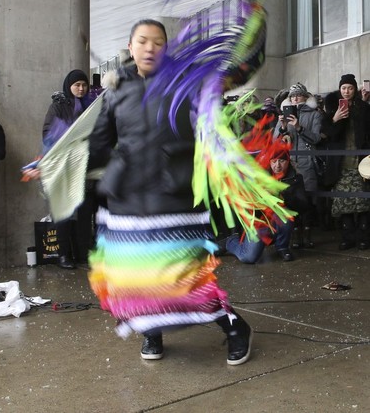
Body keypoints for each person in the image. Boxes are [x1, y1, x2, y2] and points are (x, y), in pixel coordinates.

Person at [87, 19, 254, 365]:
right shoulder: (116, 90)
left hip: (174, 195)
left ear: (166, 49)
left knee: (186, 278)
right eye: (143, 41)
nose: (150, 48)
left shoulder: (187, 85)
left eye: (158, 42)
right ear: (130, 47)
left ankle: (235, 327)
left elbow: (221, 107)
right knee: (136, 278)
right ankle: (152, 333)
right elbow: (100, 143)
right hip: (128, 199)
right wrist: (62, 166)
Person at [42, 69, 94, 268]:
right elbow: (48, 133)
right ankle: (63, 255)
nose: (81, 89)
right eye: (77, 85)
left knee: (84, 214)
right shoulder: (58, 107)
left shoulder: (91, 106)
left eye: (84, 85)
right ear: (69, 86)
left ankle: (83, 254)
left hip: (85, 169)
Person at [225, 148, 308, 263]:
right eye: (274, 161)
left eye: (281, 161)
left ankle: (282, 247)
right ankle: (230, 242)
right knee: (248, 257)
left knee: (285, 215)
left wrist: (283, 194)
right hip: (259, 222)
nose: (277, 165)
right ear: (269, 162)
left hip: (278, 220)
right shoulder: (259, 176)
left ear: (288, 161)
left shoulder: (295, 179)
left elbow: (303, 205)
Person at [321, 74, 370, 250]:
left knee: (362, 203)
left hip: (360, 162)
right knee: (343, 203)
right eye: (343, 88)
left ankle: (364, 238)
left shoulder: (363, 107)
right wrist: (335, 118)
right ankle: (347, 238)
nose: (347, 91)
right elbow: (325, 134)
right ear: (340, 90)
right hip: (340, 164)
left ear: (355, 89)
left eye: (350, 88)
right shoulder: (332, 108)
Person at [274, 82, 323, 247]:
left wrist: (299, 127)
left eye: (298, 95)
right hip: (289, 165)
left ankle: (308, 235)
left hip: (306, 162)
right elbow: (275, 143)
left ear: (305, 96)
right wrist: (282, 127)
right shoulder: (284, 114)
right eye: (292, 96)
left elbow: (316, 138)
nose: (295, 99)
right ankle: (295, 235)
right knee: (291, 199)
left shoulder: (314, 115)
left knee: (307, 199)